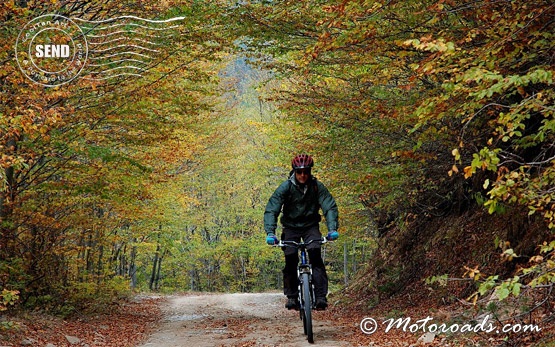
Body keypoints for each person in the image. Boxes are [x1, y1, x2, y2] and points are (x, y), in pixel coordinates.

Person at [264, 154, 339, 311]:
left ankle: (320, 297)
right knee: (290, 257)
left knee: (315, 254)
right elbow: (272, 209)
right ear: (294, 172)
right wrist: (270, 233)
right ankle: (292, 297)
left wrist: (332, 229)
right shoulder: (285, 187)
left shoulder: (317, 187)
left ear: (310, 172)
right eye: (299, 172)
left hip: (310, 226)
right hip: (290, 226)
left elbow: (329, 206)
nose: (303, 175)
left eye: (306, 171)